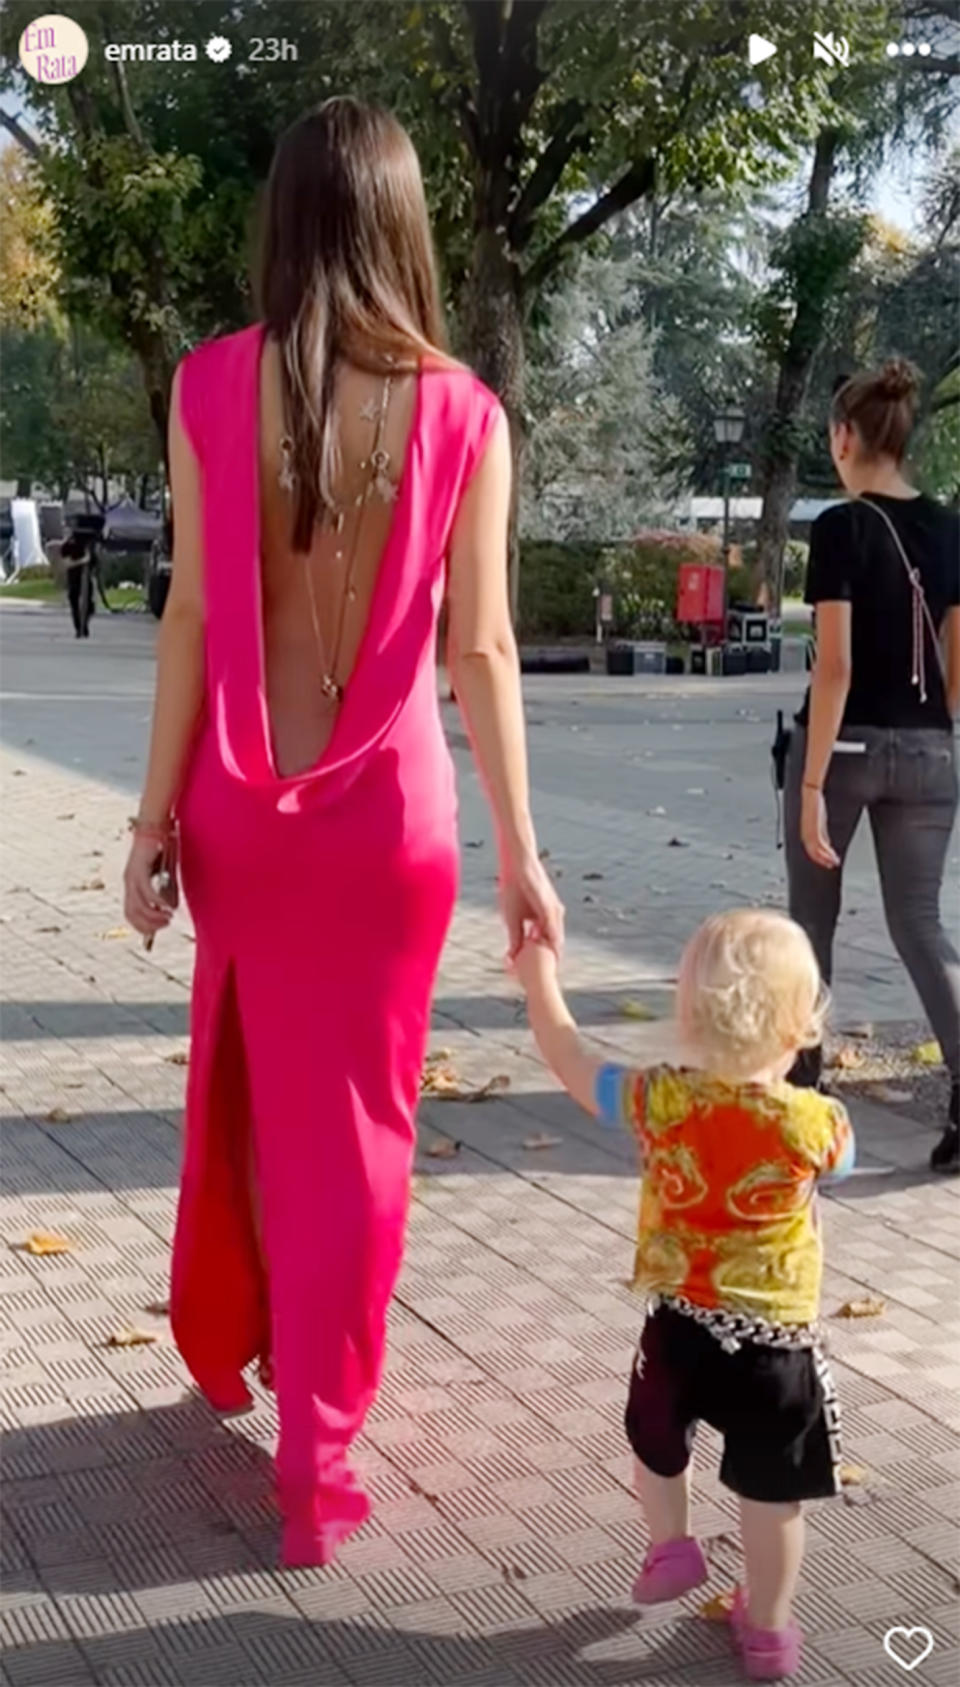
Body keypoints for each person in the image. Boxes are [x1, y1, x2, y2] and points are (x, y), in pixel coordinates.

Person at [122, 99, 563, 1568]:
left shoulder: (206, 387)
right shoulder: (465, 413)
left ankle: (244, 1342)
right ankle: (318, 1457)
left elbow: (190, 613)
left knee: (251, 1091)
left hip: (241, 811)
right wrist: (524, 852)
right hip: (388, 826)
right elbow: (485, 651)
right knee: (359, 1127)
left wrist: (147, 823)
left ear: (283, 221)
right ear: (402, 225)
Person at [515, 910, 853, 1683]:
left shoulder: (657, 1099)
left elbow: (570, 1059)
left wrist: (539, 978)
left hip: (678, 1327)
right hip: (778, 1350)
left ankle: (671, 1544)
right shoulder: (816, 1123)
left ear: (689, 1015)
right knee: (774, 1497)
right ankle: (768, 1629)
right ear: (801, 1025)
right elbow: (845, 1165)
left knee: (657, 1443)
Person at [786, 359, 960, 1174]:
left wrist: (813, 781)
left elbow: (835, 667)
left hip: (846, 748)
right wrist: (931, 731)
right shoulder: (952, 528)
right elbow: (956, 663)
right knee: (920, 926)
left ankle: (801, 1096)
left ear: (845, 437)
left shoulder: (840, 527)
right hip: (930, 751)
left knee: (811, 923)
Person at [61, 529, 93, 637]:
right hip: (74, 578)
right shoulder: (66, 547)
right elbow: (67, 563)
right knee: (75, 605)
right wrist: (83, 560)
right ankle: (79, 629)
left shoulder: (86, 545)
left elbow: (94, 563)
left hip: (86, 579)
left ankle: (84, 626)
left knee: (89, 606)